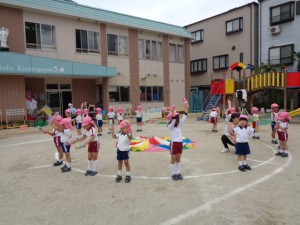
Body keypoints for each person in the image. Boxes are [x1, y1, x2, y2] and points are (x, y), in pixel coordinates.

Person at [167, 104, 189, 181]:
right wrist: (173, 112)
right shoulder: (170, 126)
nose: (178, 118)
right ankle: (173, 173)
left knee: (178, 159)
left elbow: (184, 116)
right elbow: (173, 121)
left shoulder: (179, 124)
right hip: (174, 144)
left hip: (180, 143)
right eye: (176, 117)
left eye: (177, 117)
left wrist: (186, 108)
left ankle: (178, 172)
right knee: (173, 159)